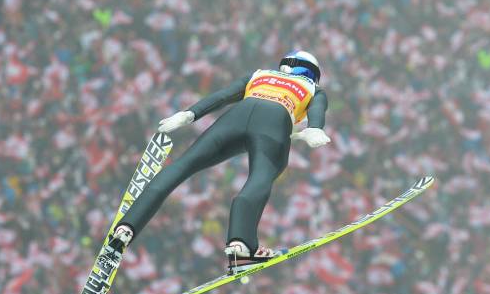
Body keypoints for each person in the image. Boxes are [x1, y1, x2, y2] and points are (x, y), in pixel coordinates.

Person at [110, 50, 330, 274]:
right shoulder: (314, 88)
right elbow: (317, 109)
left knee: (184, 164)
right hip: (275, 120)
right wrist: (315, 128)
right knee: (261, 176)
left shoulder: (259, 74)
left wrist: (189, 114)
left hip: (237, 116)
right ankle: (240, 245)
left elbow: (223, 96)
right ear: (311, 72)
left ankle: (126, 227)